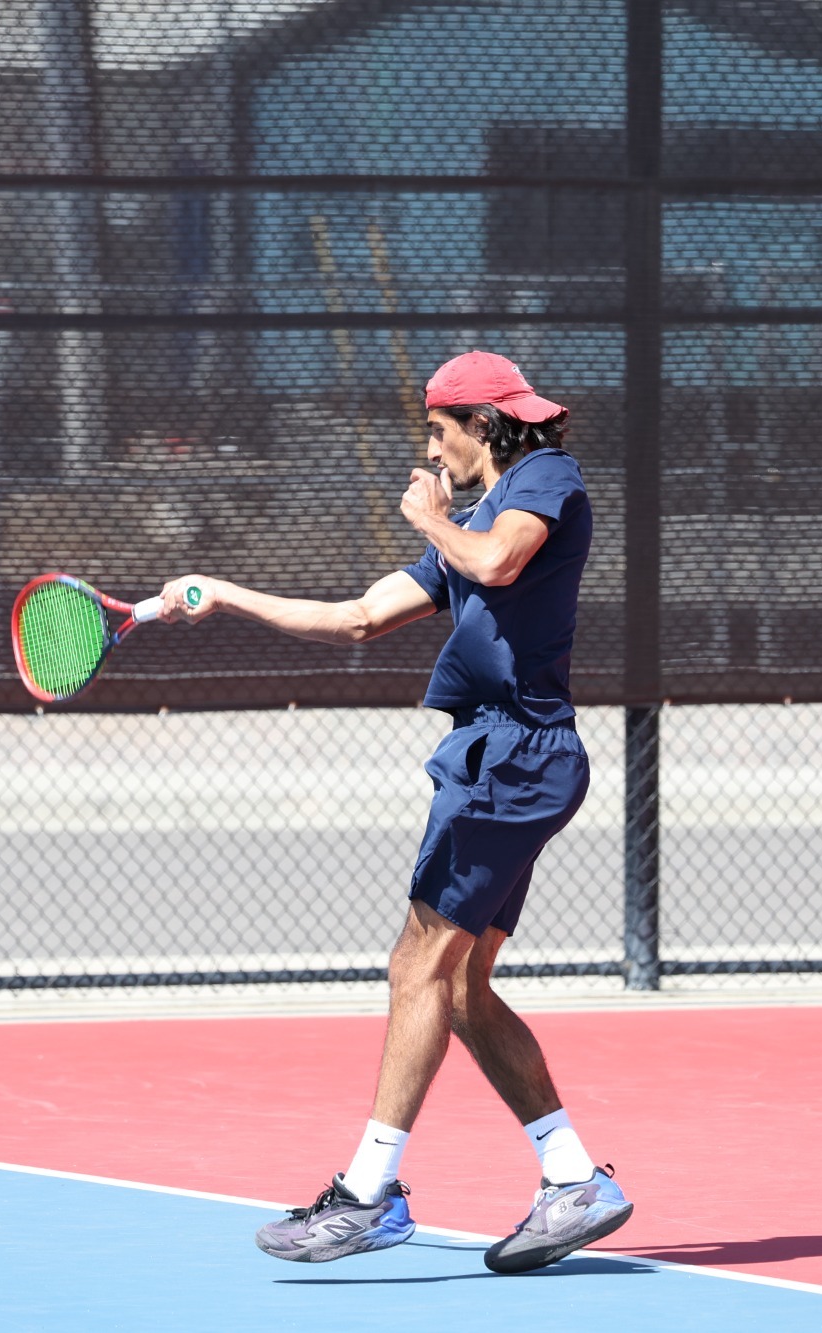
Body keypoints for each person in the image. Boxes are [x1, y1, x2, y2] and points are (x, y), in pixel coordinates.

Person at [157, 350, 631, 1274]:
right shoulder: (479, 512)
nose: (430, 447)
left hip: (515, 759)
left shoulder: (543, 478)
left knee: (414, 966)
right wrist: (222, 594)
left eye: (437, 429)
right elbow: (361, 618)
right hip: (500, 761)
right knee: (455, 986)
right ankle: (572, 1178)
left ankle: (369, 1194)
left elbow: (495, 560)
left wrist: (433, 519)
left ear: (481, 427)